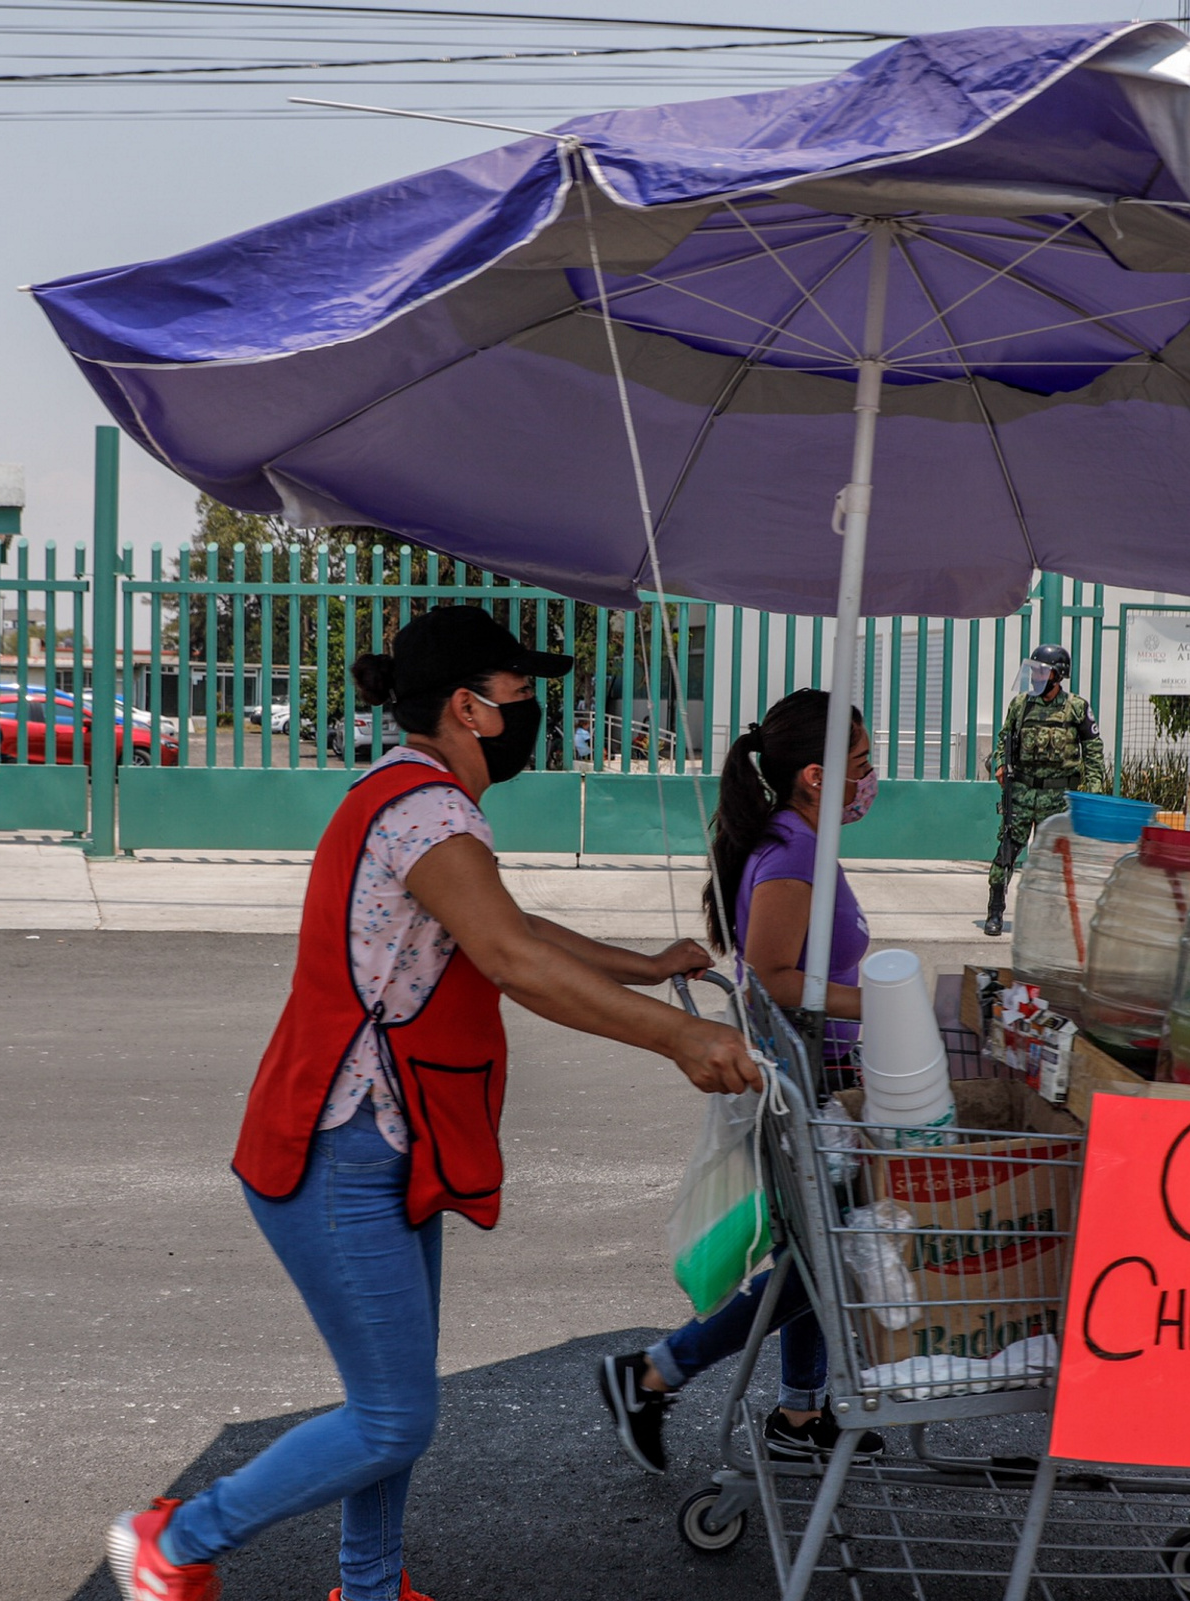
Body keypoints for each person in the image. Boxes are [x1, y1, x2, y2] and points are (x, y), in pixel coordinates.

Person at [107, 605, 759, 1601]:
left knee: (387, 1397)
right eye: (521, 690)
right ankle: (176, 1539)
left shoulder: (408, 794)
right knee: (393, 1414)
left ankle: (367, 1584)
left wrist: (643, 968)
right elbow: (510, 956)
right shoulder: (426, 809)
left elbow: (508, 924)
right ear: (469, 706)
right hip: (342, 1144)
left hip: (383, 1141)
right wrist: (678, 1035)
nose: (536, 707)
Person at [597, 687, 887, 1474]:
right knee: (825, 1255)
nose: (871, 775)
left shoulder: (792, 838)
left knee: (813, 1247)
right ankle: (654, 1370)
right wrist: (888, 999)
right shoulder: (792, 851)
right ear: (815, 775)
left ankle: (799, 1411)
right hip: (806, 1078)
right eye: (860, 762)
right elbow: (768, 974)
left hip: (811, 1070)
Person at [984, 642, 1104, 937]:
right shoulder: (1021, 704)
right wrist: (999, 764)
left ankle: (1051, 918)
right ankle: (995, 911)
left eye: (1042, 671)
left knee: (1055, 861)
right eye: (1035, 670)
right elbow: (1004, 739)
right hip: (1023, 793)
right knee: (1006, 853)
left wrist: (1094, 794)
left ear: (1057, 675)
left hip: (1058, 798)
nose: (1036, 676)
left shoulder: (1077, 707)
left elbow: (1093, 752)